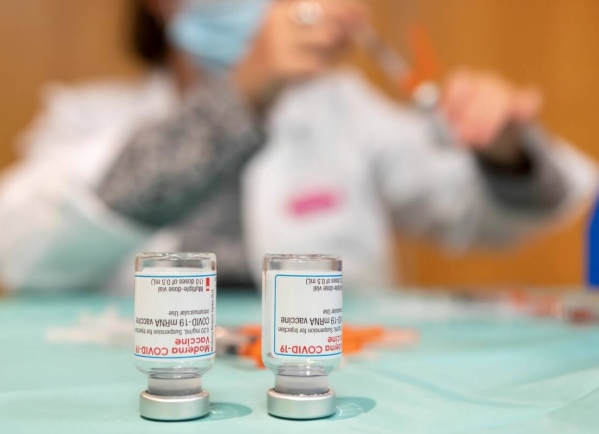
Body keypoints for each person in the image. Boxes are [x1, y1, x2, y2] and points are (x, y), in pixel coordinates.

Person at [0, 0, 595, 293]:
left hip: (325, 382)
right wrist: (243, 93)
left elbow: (481, 217)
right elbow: (18, 247)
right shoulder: (86, 117)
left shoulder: (342, 108)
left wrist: (504, 152)